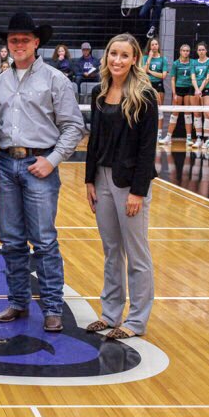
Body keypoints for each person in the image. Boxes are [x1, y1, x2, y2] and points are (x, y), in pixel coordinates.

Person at [0, 11, 85, 333]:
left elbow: (74, 127)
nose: (18, 44)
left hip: (39, 164)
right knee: (11, 241)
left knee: (43, 241)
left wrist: (52, 159)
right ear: (7, 44)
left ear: (36, 43)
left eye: (24, 40)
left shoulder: (56, 79)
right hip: (5, 164)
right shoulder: (0, 81)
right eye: (13, 40)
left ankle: (53, 308)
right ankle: (18, 301)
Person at [85, 33, 157, 339]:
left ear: (134, 59)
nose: (117, 60)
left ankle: (136, 320)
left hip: (130, 184)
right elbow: (94, 141)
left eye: (124, 55)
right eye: (113, 53)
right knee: (111, 250)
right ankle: (110, 313)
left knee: (136, 253)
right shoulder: (99, 92)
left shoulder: (145, 96)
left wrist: (138, 191)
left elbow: (147, 148)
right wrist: (89, 179)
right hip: (101, 179)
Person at [160, 44, 195, 145]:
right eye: (184, 50)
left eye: (187, 51)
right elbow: (172, 79)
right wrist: (174, 93)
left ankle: (189, 138)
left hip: (189, 89)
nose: (186, 52)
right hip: (178, 89)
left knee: (188, 113)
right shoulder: (176, 63)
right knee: (175, 113)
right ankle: (168, 137)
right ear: (180, 51)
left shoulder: (192, 62)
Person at [143, 38, 169, 141]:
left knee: (159, 110)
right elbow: (143, 72)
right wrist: (149, 58)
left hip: (158, 86)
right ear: (149, 46)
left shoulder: (163, 59)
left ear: (158, 46)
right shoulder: (145, 58)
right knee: (146, 109)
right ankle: (147, 133)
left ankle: (159, 135)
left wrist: (150, 71)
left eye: (156, 44)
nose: (154, 46)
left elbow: (163, 76)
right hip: (147, 85)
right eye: (152, 44)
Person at [191, 42, 209, 149]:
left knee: (208, 113)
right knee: (196, 113)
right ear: (197, 51)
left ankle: (206, 139)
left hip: (206, 88)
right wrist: (196, 89)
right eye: (199, 50)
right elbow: (193, 77)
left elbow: (207, 77)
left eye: (203, 49)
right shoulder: (193, 62)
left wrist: (200, 89)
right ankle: (199, 138)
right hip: (195, 89)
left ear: (206, 50)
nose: (201, 51)